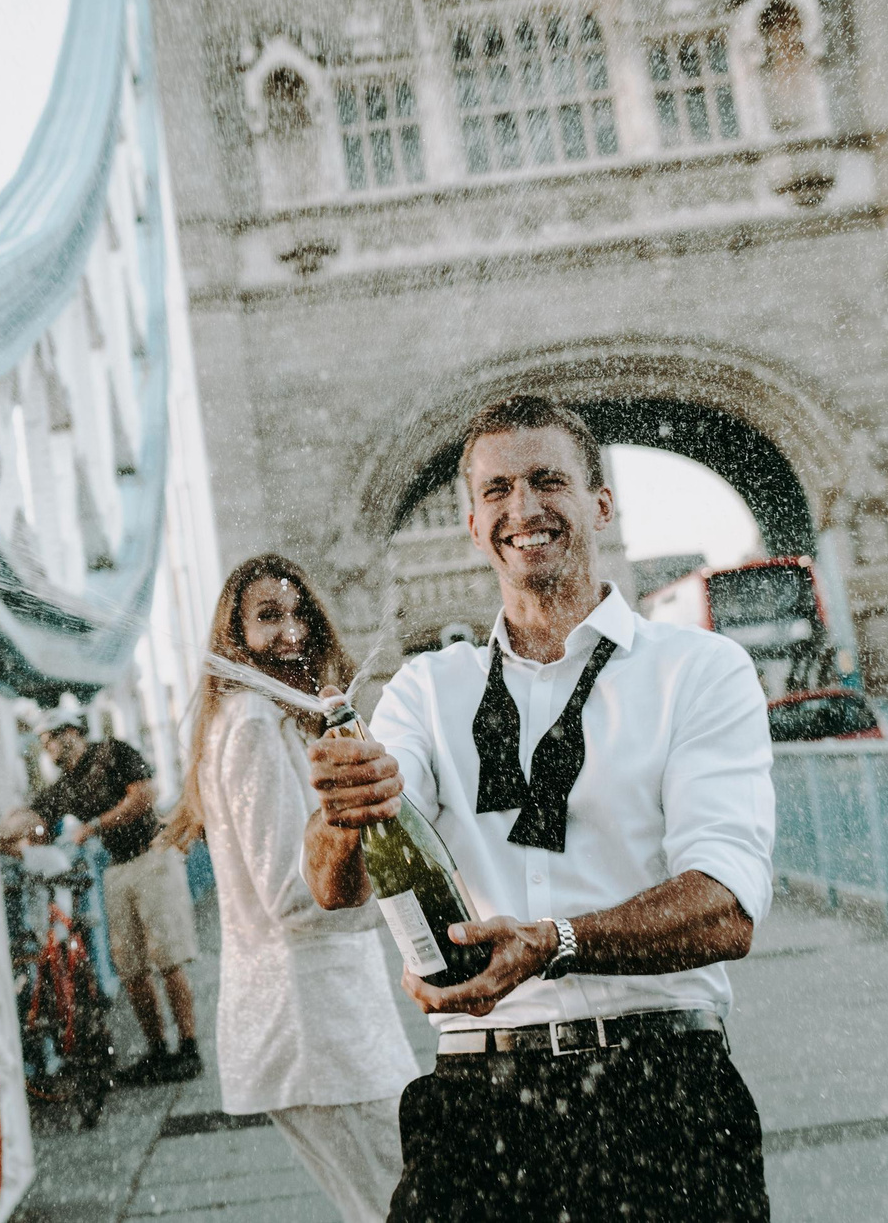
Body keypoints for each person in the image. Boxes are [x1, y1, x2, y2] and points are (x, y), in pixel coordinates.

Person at [304, 394, 776, 1223]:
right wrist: (348, 805)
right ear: (471, 520)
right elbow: (333, 887)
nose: (522, 509)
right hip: (476, 1102)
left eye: (547, 482)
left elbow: (726, 909)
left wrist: (555, 943)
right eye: (497, 491)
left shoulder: (700, 670)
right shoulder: (424, 689)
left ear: (601, 503)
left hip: (662, 1092)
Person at [159, 555, 416, 1223]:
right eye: (267, 617)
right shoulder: (251, 724)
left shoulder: (281, 717)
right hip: (314, 1026)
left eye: (299, 612)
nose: (291, 631)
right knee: (403, 1205)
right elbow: (290, 893)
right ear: (235, 636)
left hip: (327, 1020)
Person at [23, 703, 202, 1083]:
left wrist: (93, 826)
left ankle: (188, 1048)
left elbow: (144, 796)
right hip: (117, 867)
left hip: (152, 856)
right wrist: (7, 831)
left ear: (71, 734)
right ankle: (157, 1051)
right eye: (44, 744)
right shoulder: (66, 787)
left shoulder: (114, 753)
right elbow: (36, 820)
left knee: (168, 958)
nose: (49, 750)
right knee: (131, 967)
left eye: (51, 740)